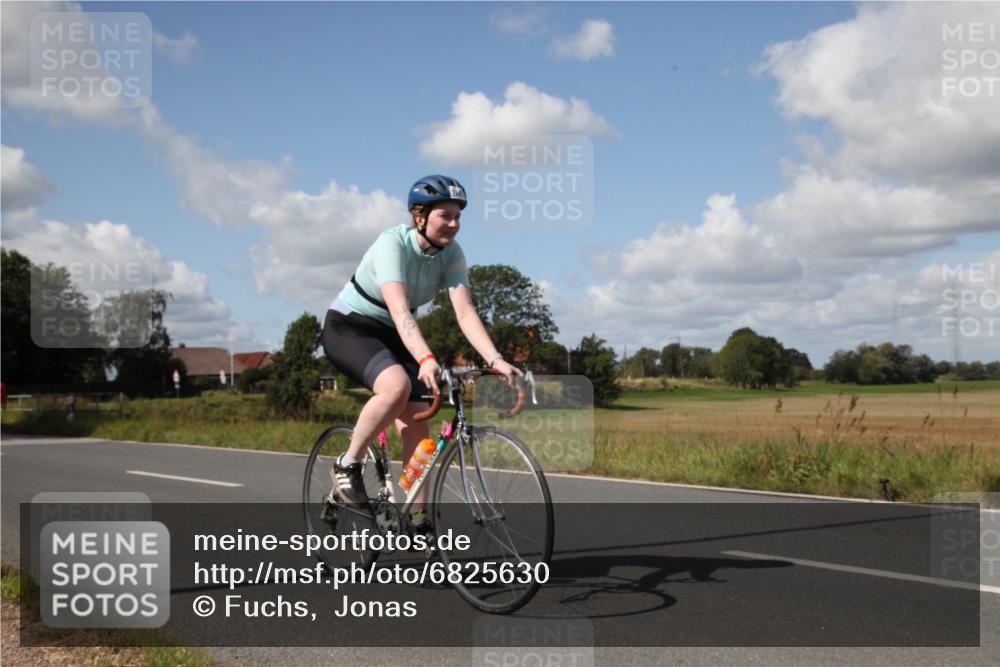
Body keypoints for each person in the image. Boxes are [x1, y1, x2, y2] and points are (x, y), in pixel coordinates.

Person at [321, 174, 521, 531]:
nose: (455, 224)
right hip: (351, 326)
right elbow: (399, 310)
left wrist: (495, 358)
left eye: (458, 216)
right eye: (445, 215)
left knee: (419, 417)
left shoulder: (452, 255)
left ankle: (416, 515)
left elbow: (464, 311)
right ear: (419, 216)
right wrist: (427, 359)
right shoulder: (391, 245)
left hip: (397, 333)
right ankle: (347, 464)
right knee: (396, 386)